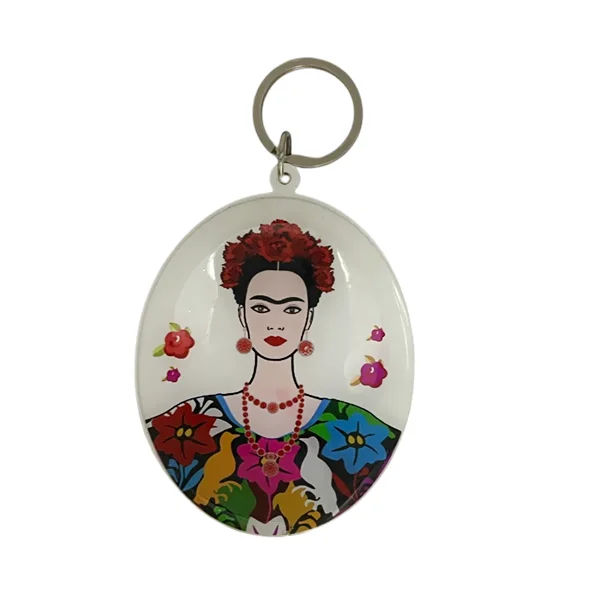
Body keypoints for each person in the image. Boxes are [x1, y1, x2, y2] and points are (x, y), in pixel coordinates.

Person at [146, 219, 400, 535]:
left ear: (308, 318)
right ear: (242, 314)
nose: (275, 324)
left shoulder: (358, 431)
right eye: (261, 308)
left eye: (291, 310)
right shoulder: (185, 425)